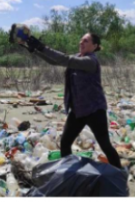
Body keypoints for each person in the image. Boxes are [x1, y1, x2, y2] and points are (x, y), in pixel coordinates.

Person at [12, 25, 123, 169]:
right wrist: (35, 49)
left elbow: (65, 60)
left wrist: (41, 46)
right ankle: (71, 173)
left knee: (105, 145)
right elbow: (55, 61)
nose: (81, 43)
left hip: (94, 110)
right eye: (81, 40)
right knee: (65, 143)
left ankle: (119, 174)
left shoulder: (90, 61)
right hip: (78, 111)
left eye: (86, 41)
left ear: (95, 46)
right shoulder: (78, 57)